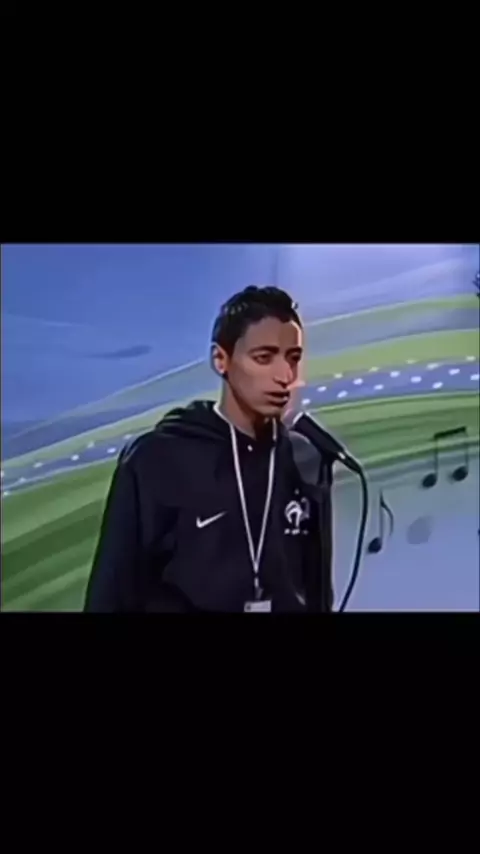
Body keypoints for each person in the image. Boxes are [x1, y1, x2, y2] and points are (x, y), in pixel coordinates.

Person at [84, 285, 334, 613]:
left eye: (293, 358)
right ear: (221, 360)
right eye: (264, 358)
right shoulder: (157, 459)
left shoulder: (305, 458)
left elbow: (317, 593)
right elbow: (112, 595)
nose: (284, 375)